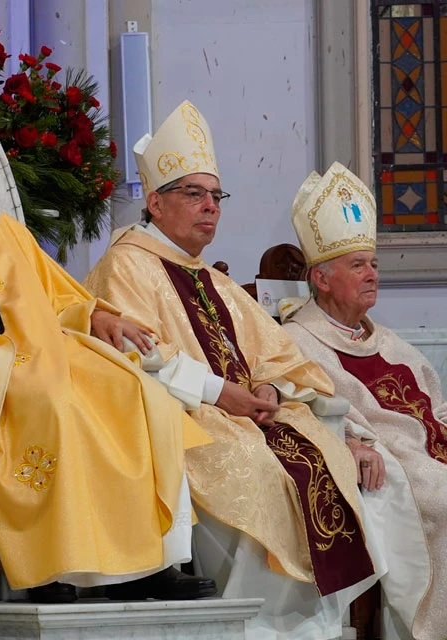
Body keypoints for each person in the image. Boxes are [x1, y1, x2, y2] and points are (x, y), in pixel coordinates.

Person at [0, 39, 215, 603]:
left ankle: (149, 565)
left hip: (45, 346)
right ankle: (58, 566)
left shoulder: (6, 228)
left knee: (139, 392)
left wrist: (97, 315)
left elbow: (56, 298)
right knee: (53, 399)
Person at [84, 101, 386, 638]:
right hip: (184, 418)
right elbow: (129, 357)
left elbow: (279, 353)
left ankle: (305, 629)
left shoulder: (216, 281)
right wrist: (223, 393)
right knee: (257, 468)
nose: (210, 208)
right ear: (154, 202)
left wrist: (269, 385)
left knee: (323, 457)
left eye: (216, 196)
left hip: (249, 414)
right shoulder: (126, 264)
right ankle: (255, 628)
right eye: (193, 194)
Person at [281, 162, 446, 640]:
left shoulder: (392, 343)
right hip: (393, 466)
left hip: (427, 452)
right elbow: (302, 408)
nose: (372, 274)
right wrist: (350, 443)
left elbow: (436, 406)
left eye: (373, 263)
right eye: (358, 265)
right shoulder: (297, 343)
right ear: (323, 279)